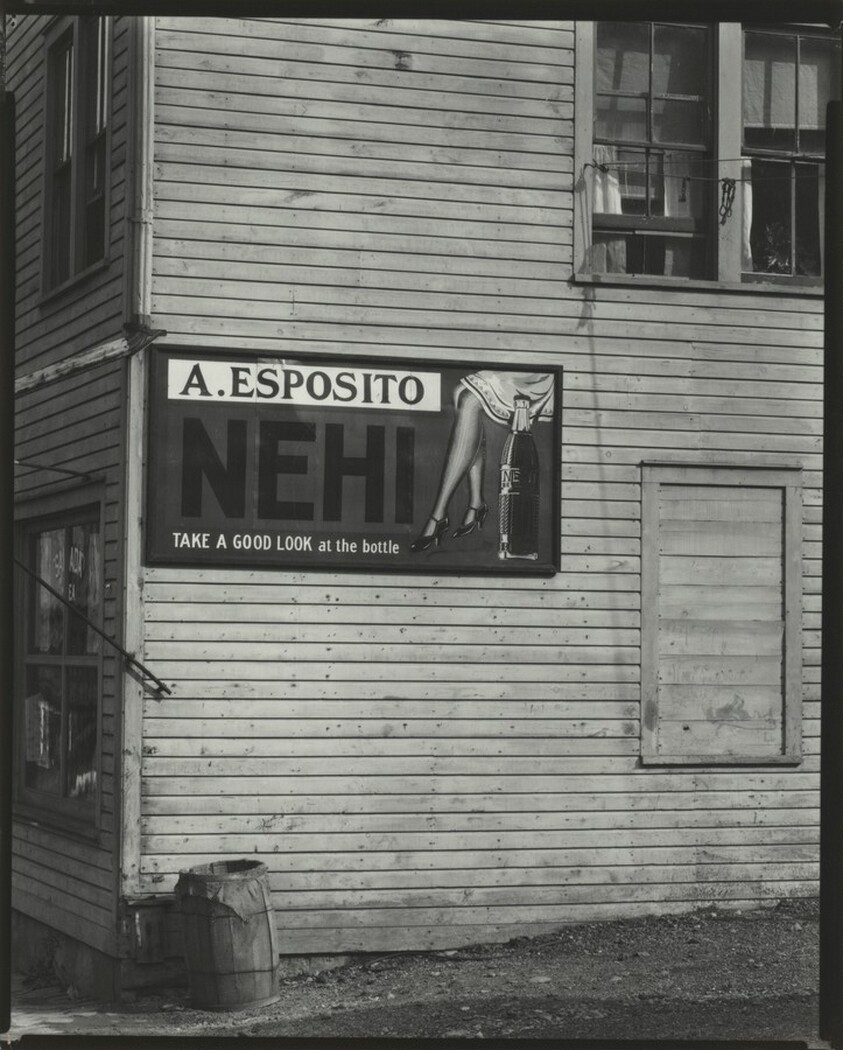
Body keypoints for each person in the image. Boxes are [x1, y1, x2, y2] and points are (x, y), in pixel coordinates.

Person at [409, 370, 553, 552]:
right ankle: (476, 502)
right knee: (461, 395)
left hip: (535, 379)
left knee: (469, 401)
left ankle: (439, 516)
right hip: (514, 373)